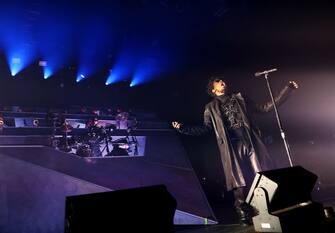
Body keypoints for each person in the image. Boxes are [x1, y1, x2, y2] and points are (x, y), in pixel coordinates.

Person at [172, 77, 298, 225]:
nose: (223, 82)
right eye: (218, 81)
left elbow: (265, 108)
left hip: (249, 141)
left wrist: (287, 90)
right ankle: (243, 212)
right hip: (231, 146)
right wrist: (183, 128)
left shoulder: (240, 98)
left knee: (262, 174)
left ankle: (265, 207)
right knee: (238, 181)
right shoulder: (210, 107)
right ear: (213, 90)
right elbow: (206, 128)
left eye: (223, 80)